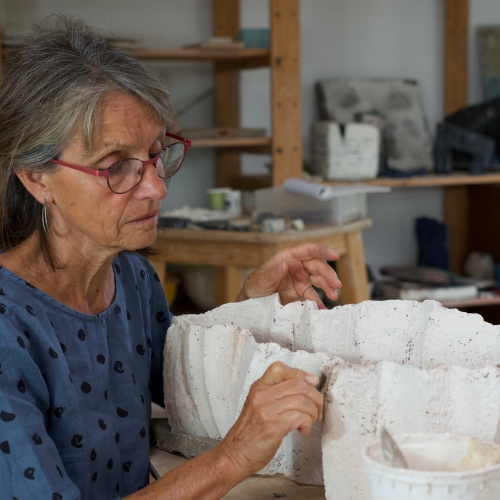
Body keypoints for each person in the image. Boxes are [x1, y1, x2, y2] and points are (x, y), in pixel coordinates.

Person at [0, 17, 342, 500]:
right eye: (117, 166)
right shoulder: (8, 329)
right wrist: (234, 456)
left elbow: (186, 395)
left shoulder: (132, 278)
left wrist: (251, 304)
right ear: (37, 178)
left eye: (156, 154)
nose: (157, 188)